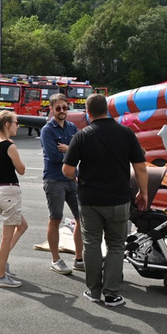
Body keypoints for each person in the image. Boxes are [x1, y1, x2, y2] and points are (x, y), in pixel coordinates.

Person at [63, 93, 148, 307]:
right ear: (108, 109)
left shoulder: (82, 136)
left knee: (91, 243)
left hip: (89, 198)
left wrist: (79, 175)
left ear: (88, 113)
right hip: (118, 200)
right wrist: (143, 193)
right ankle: (111, 294)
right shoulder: (126, 134)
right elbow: (140, 167)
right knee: (116, 245)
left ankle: (93, 291)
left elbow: (67, 170)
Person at [40, 93, 84, 275]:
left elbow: (82, 151)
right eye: (58, 108)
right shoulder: (47, 130)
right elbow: (54, 156)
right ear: (51, 109)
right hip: (54, 180)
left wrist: (70, 150)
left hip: (73, 179)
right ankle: (55, 259)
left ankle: (79, 259)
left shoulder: (72, 127)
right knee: (55, 218)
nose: (62, 111)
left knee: (82, 218)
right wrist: (72, 152)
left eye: (65, 107)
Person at [0, 111, 29, 288]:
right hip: (9, 193)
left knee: (22, 226)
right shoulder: (9, 146)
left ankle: (1, 261)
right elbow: (21, 170)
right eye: (15, 122)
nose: (17, 126)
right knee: (6, 237)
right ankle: (1, 274)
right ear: (7, 124)